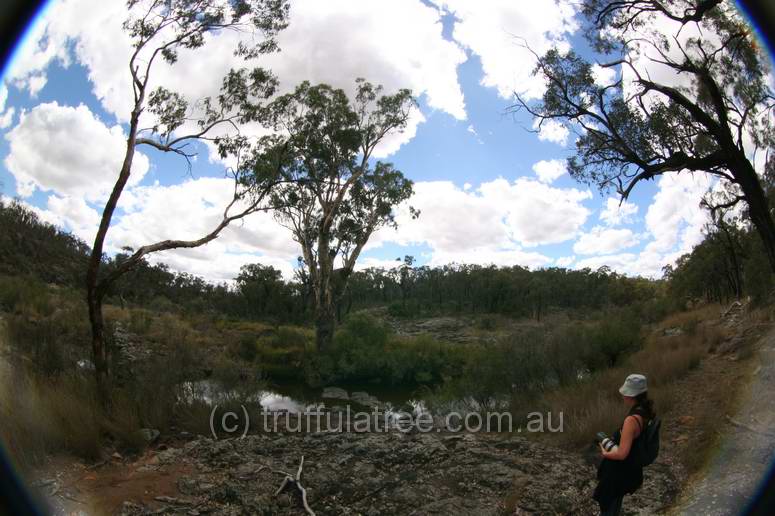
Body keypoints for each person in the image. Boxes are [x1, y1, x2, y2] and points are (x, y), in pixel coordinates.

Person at [593, 373, 656, 516]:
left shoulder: (632, 420)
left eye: (625, 393)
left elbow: (622, 454)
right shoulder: (646, 411)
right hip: (631, 470)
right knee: (615, 505)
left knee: (608, 506)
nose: (623, 396)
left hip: (619, 473)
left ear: (631, 396)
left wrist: (605, 451)